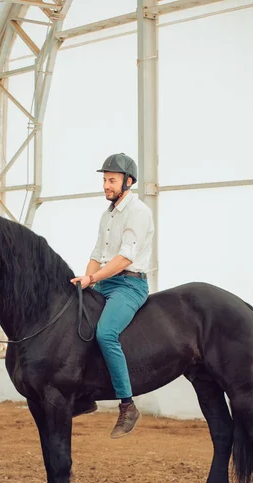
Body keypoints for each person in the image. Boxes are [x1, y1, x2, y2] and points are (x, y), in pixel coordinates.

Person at [71, 153, 154, 438]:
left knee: (105, 332)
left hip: (129, 285)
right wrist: (85, 282)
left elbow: (125, 258)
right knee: (76, 322)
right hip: (104, 282)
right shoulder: (107, 215)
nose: (106, 185)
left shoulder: (138, 212)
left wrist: (93, 278)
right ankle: (83, 396)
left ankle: (127, 405)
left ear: (128, 182)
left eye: (111, 180)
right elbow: (97, 254)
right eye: (104, 180)